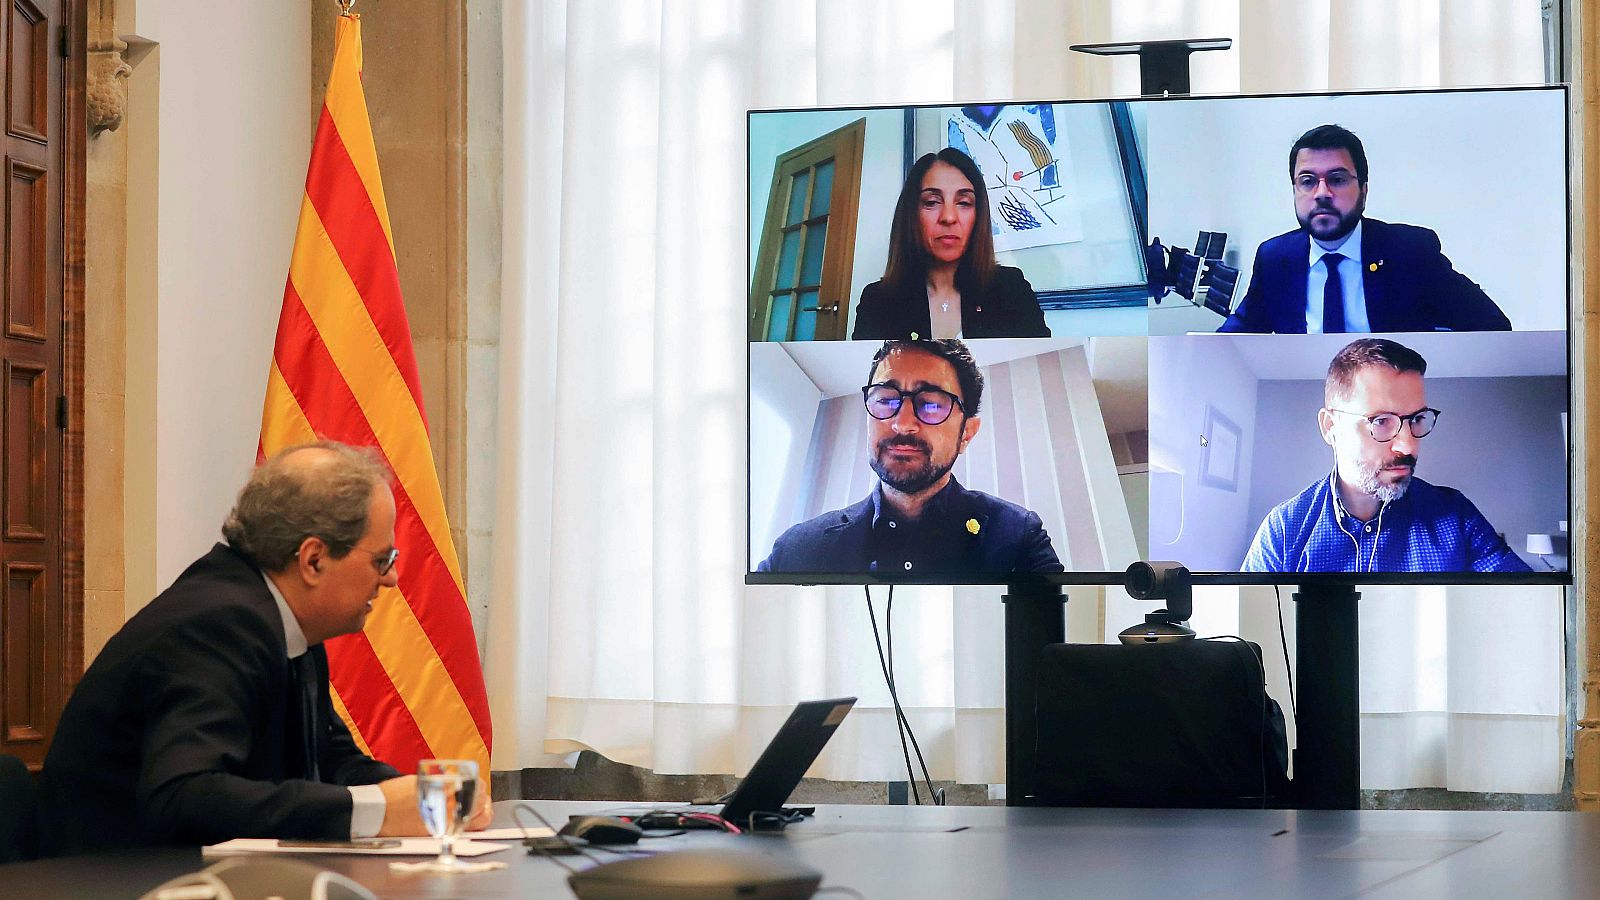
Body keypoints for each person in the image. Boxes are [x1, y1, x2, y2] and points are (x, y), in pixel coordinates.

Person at [38, 441, 490, 855]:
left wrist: (429, 800)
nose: (391, 578)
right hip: (110, 878)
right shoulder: (219, 624)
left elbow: (331, 759)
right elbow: (183, 796)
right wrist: (370, 809)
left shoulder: (283, 616)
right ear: (313, 560)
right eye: (381, 560)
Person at [759, 339, 1063, 575]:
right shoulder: (797, 550)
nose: (902, 423)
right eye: (886, 400)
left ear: (966, 433)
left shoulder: (1018, 536)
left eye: (931, 404)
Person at [1241, 339, 1530, 573]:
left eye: (1417, 418)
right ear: (1331, 427)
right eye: (1381, 421)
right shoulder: (1284, 531)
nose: (1408, 446)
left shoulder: (1456, 517)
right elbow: (1251, 635)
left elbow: (1523, 606)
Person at [1218, 124, 1511, 334]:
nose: (1321, 193)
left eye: (1337, 179)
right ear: (1294, 190)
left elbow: (1491, 325)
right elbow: (1239, 334)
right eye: (1307, 181)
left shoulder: (1409, 251)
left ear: (1364, 191)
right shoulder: (1275, 258)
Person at [851, 147, 1050, 340]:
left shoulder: (1012, 289)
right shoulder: (877, 301)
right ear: (911, 214)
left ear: (978, 215)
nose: (948, 217)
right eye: (931, 202)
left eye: (964, 203)